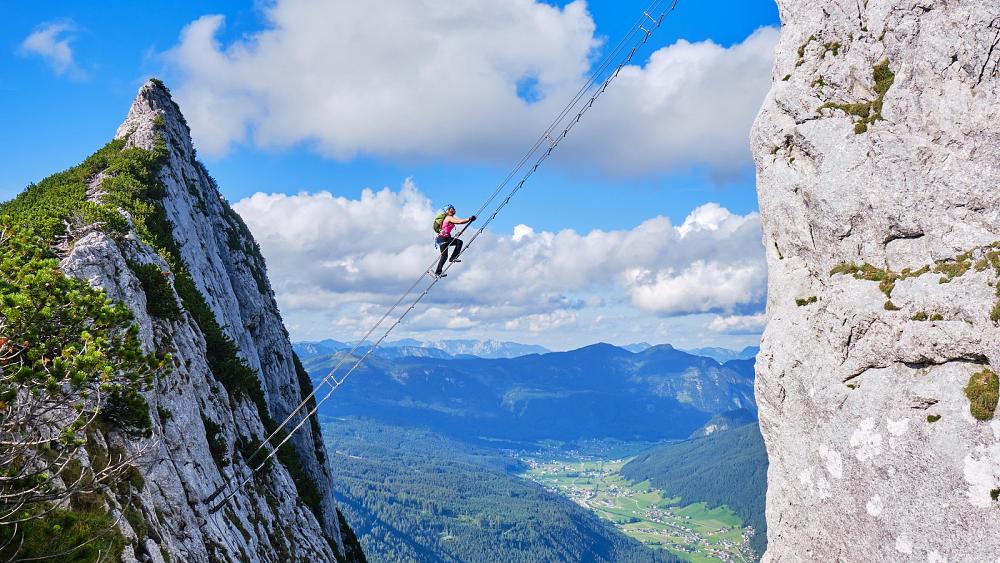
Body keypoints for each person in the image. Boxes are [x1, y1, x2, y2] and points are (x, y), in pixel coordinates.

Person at [432, 205, 475, 278]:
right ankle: (438, 272)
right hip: (442, 238)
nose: (454, 210)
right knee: (444, 256)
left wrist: (469, 220)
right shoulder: (448, 218)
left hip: (447, 238)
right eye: (452, 209)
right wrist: (469, 219)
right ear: (448, 210)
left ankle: (452, 258)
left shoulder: (450, 218)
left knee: (459, 242)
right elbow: (460, 222)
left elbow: (457, 223)